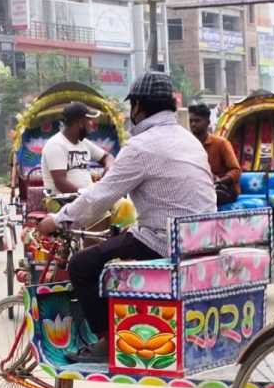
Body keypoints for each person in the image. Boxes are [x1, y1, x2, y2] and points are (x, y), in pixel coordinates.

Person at [36, 72, 217, 363]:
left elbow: (99, 197)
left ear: (139, 107)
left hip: (167, 241)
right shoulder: (188, 139)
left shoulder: (142, 145)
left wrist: (57, 221)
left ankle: (107, 341)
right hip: (202, 237)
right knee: (119, 242)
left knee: (82, 264)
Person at [41, 101, 115, 194]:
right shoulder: (56, 144)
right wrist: (89, 195)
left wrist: (107, 171)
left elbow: (108, 157)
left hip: (86, 198)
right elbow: (60, 183)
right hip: (63, 201)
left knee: (123, 204)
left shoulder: (83, 143)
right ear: (81, 122)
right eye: (89, 120)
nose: (92, 124)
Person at [188, 103, 241, 206]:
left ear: (208, 122)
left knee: (207, 197)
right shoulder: (187, 144)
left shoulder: (221, 143)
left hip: (224, 189)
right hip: (200, 188)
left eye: (197, 121)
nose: (193, 124)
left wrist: (219, 181)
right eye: (191, 121)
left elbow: (236, 170)